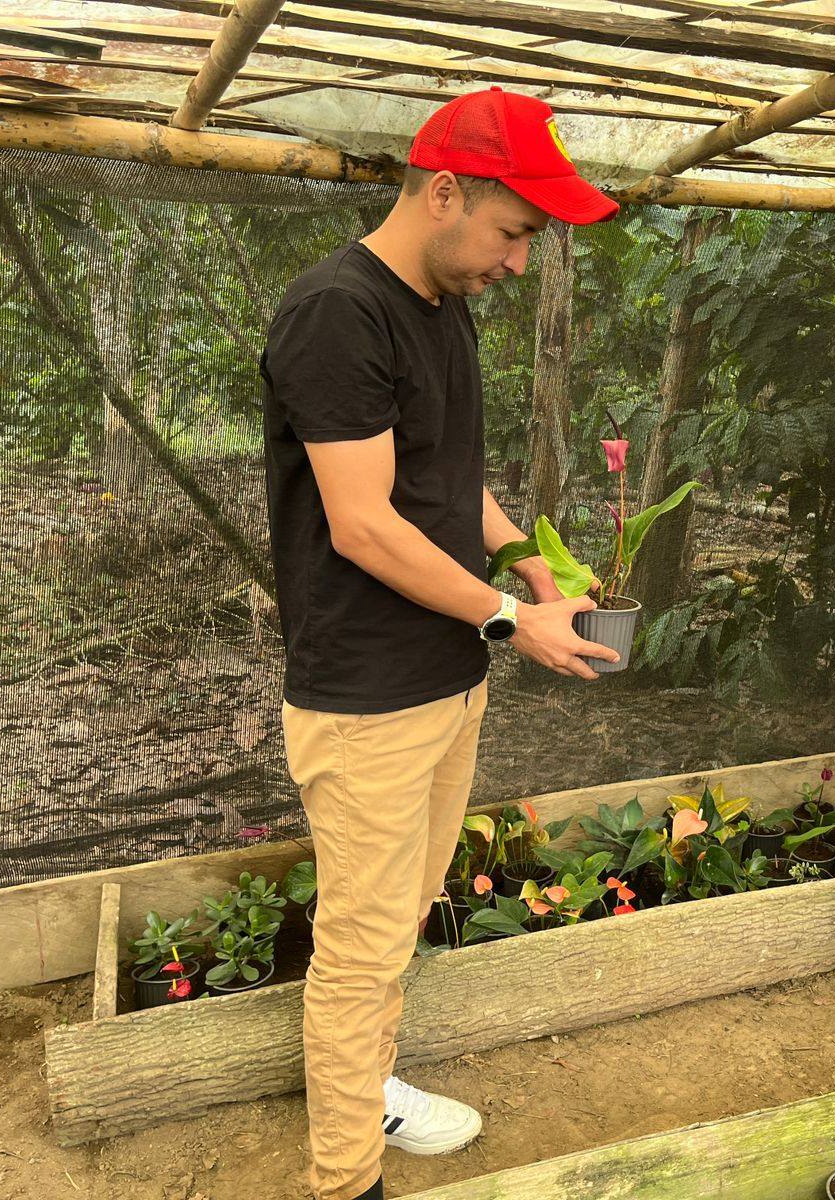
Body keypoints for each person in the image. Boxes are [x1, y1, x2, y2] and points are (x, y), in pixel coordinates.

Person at [260, 88, 621, 1200]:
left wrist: (522, 558)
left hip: (443, 678)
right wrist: (510, 619)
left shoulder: (439, 302)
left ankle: (367, 1088)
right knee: (361, 951)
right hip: (366, 695)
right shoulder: (338, 312)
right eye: (514, 233)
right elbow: (363, 525)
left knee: (398, 921)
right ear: (446, 193)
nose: (518, 262)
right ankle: (346, 1181)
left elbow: (443, 480)